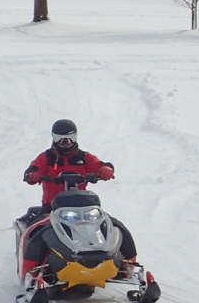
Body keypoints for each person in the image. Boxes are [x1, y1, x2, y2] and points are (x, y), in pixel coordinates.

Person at [18, 119, 137, 279]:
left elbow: (99, 164)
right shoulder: (47, 157)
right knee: (36, 232)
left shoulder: (83, 157)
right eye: (60, 138)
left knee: (114, 226)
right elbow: (34, 168)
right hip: (52, 209)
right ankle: (30, 274)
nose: (65, 142)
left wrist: (105, 170)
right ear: (53, 137)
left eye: (69, 138)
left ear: (75, 137)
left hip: (83, 209)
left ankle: (128, 265)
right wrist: (32, 175)